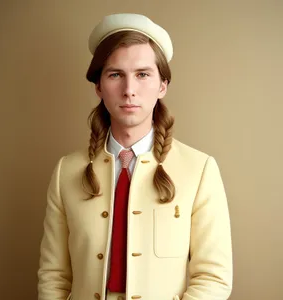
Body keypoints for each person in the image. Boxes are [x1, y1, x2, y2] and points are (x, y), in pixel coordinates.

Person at [37, 13, 233, 300]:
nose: (129, 90)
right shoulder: (66, 171)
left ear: (162, 86)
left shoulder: (199, 170)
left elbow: (213, 277)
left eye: (143, 74)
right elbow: (53, 275)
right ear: (99, 87)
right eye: (116, 74)